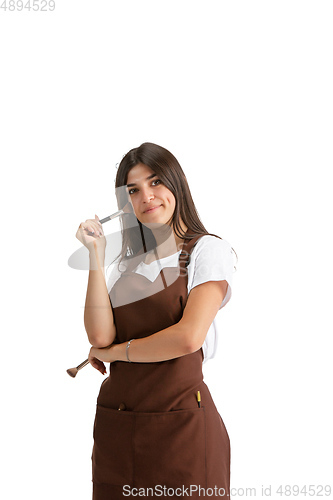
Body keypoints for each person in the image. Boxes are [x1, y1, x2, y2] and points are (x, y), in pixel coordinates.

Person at [76, 142, 236, 499]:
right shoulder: (127, 267)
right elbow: (99, 336)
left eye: (156, 182)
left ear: (176, 184)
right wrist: (96, 257)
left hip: (183, 429)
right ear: (126, 204)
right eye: (133, 190)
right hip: (119, 426)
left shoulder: (207, 251)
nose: (147, 196)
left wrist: (117, 353)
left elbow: (188, 337)